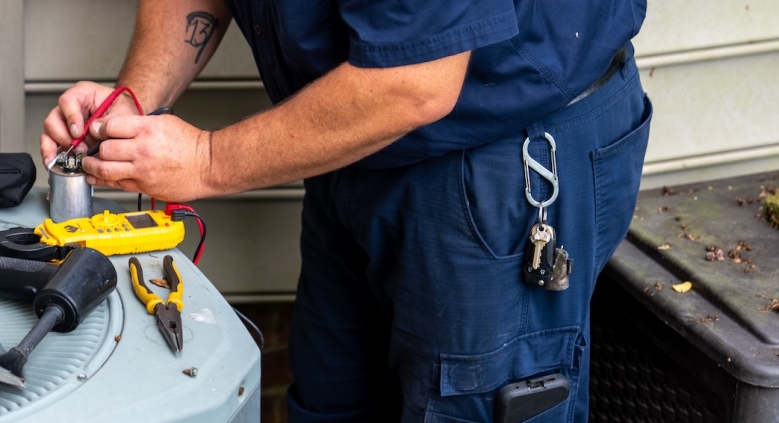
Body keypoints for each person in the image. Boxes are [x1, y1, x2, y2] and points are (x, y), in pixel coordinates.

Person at [41, 0, 651, 420]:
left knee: (464, 411)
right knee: (334, 403)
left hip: (495, 157)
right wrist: (135, 104)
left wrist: (207, 160)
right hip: (351, 137)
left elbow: (416, 81)